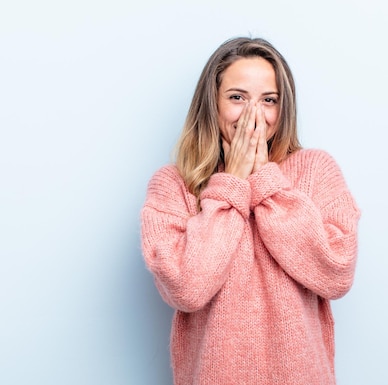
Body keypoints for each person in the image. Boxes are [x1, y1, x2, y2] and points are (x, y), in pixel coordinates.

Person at [140, 37, 361, 385]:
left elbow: (335, 273)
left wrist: (264, 181)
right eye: (237, 97)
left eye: (268, 100)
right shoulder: (173, 185)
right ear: (211, 104)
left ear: (282, 108)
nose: (253, 115)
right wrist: (231, 184)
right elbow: (187, 288)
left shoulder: (316, 170)